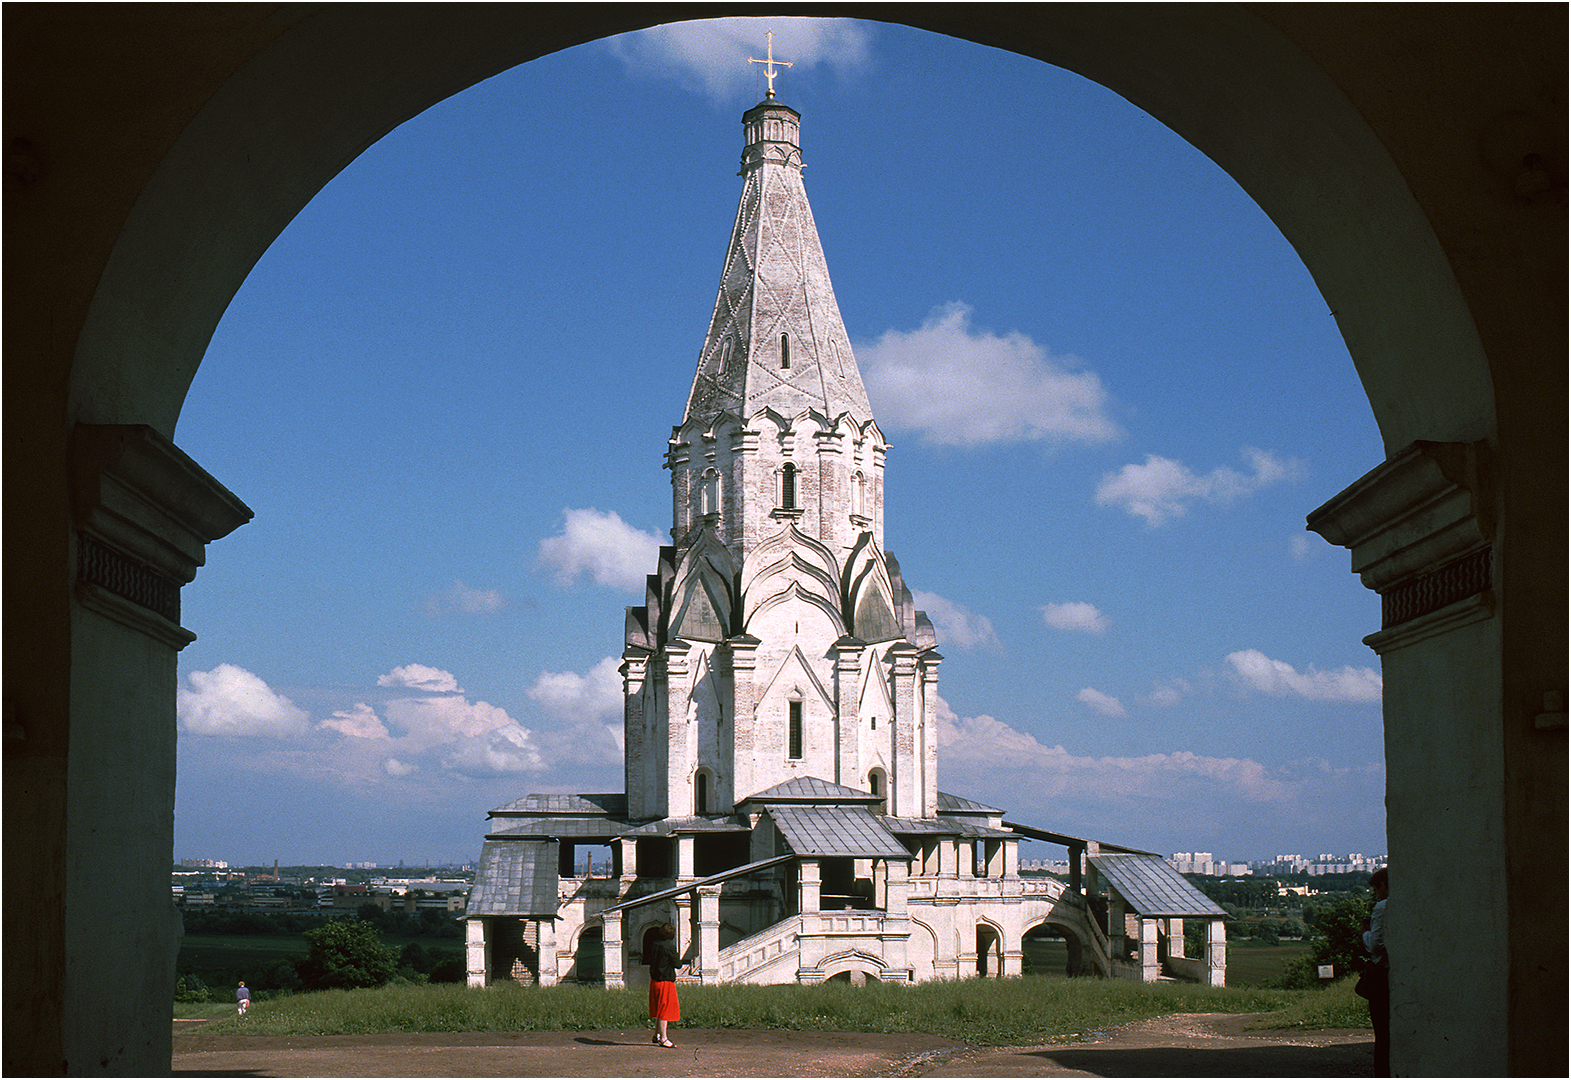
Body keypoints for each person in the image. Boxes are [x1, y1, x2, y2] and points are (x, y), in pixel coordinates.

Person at [1360, 868, 1390, 1075]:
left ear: (1383, 885)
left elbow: (1376, 945)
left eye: (1376, 889)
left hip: (1381, 973)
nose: (1376, 894)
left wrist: (1364, 933)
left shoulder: (1382, 907)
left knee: (1382, 1031)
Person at [645, 922, 681, 1048]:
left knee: (659, 1009)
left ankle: (657, 1035)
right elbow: (678, 964)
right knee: (664, 1010)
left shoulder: (654, 945)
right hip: (666, 981)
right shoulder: (669, 947)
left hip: (654, 981)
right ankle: (664, 1038)